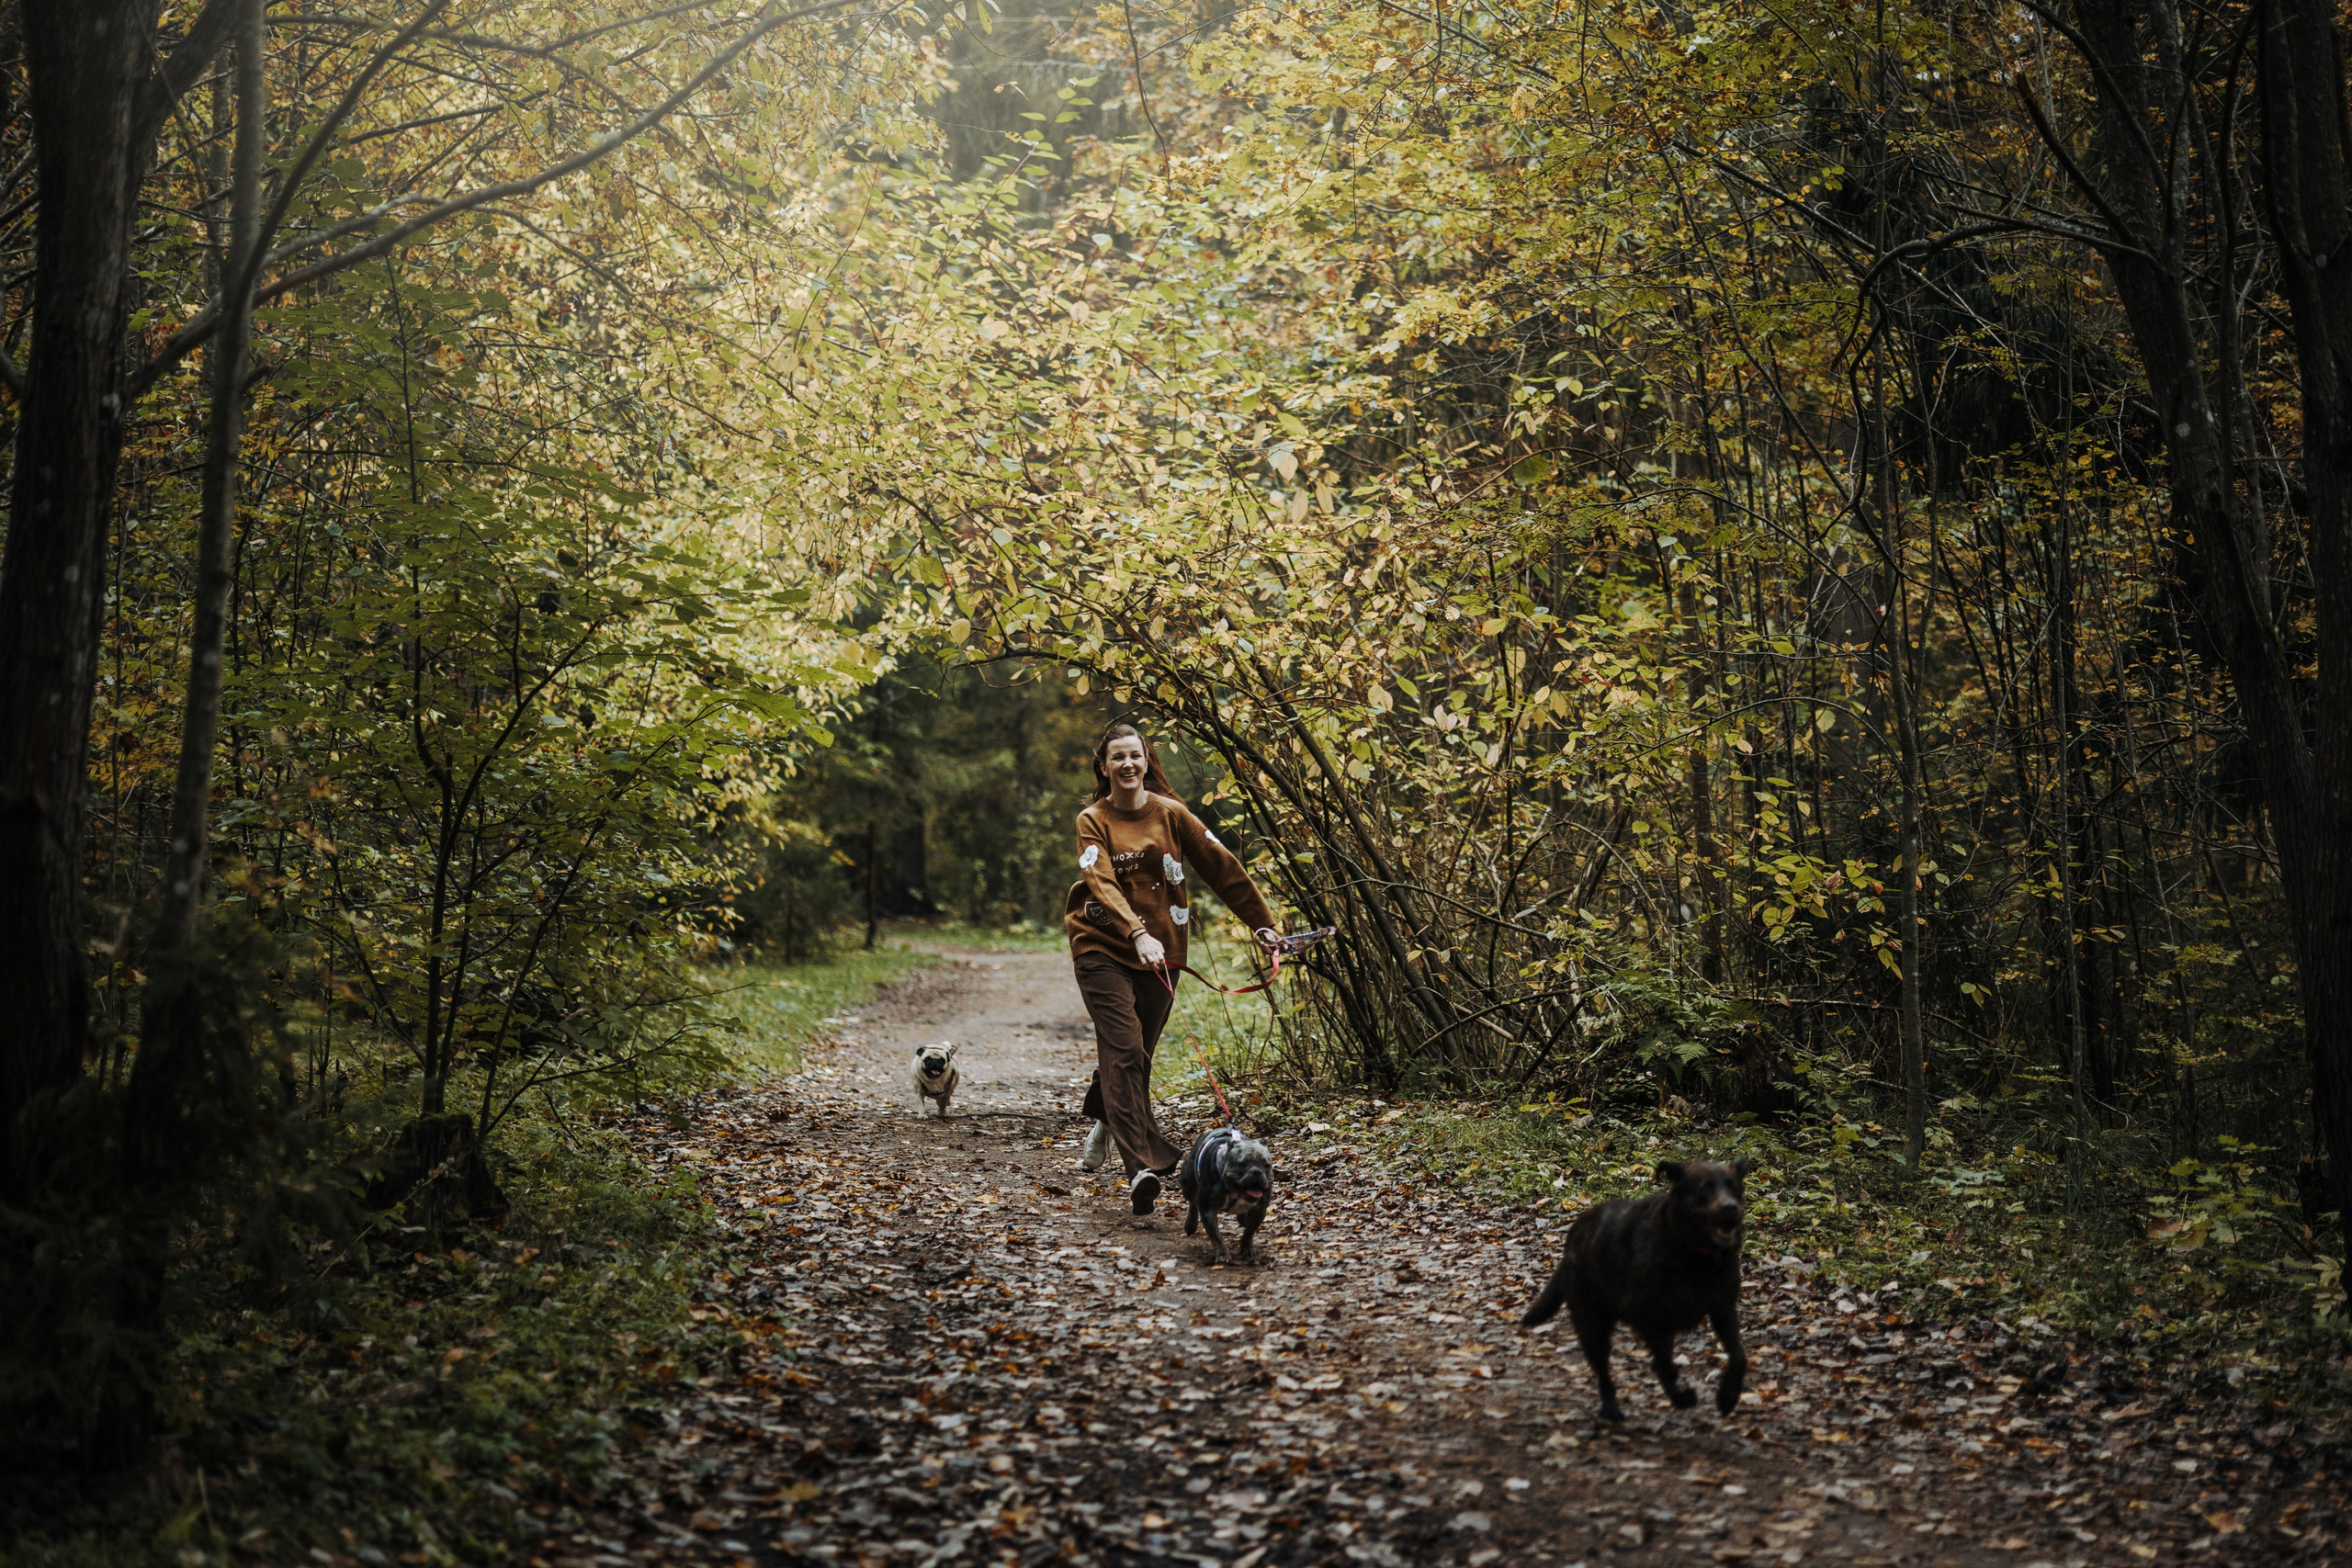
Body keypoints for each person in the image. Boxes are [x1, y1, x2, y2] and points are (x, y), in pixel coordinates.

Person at [1065, 722, 1282, 1214]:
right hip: (1101, 945)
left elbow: (1222, 866)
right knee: (1124, 1049)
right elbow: (1101, 881)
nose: (1127, 764)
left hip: (1163, 951)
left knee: (1135, 1055)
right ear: (1103, 767)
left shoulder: (1171, 814)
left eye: (1135, 756)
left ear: (1146, 762)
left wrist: (1262, 924)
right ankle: (1139, 1168)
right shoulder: (1092, 820)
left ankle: (1106, 1113)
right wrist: (1135, 933)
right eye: (1117, 757)